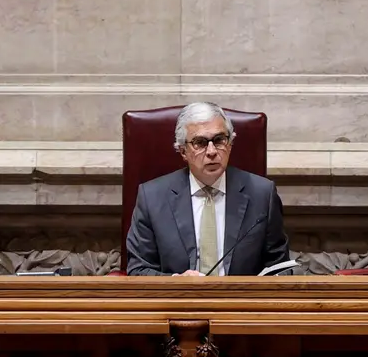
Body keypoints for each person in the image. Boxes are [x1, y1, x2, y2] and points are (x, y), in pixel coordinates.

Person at [125, 102, 291, 277]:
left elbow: (281, 268)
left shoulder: (263, 195)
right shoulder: (152, 198)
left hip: (240, 301)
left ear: (230, 144)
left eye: (219, 140)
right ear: (183, 151)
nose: (212, 151)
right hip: (178, 301)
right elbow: (138, 270)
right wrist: (176, 282)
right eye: (200, 143)